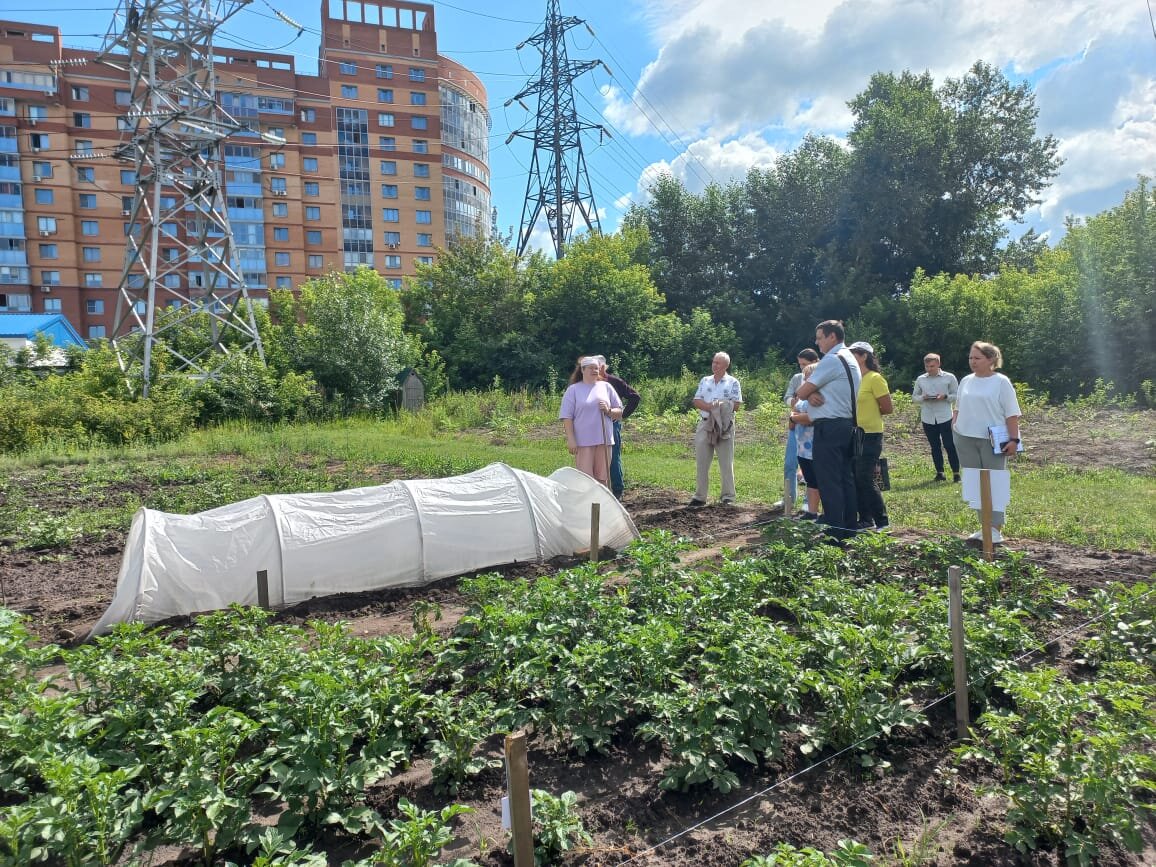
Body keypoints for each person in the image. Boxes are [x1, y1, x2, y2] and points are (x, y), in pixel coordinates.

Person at [794, 320, 860, 537]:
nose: (817, 342)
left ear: (833, 337)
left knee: (829, 480)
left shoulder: (831, 360)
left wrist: (809, 392)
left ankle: (835, 532)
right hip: (845, 425)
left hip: (829, 428)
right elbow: (809, 392)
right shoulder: (849, 358)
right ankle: (849, 527)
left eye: (820, 337)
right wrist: (812, 392)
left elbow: (801, 392)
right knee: (845, 478)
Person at [952, 341, 1022, 543]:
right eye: (971, 358)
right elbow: (958, 406)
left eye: (977, 358)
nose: (972, 362)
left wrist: (1014, 439)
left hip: (993, 440)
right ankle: (983, 526)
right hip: (965, 438)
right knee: (974, 482)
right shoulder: (966, 380)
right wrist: (955, 423)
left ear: (991, 359)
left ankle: (995, 528)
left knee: (995, 483)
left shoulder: (1001, 382)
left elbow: (1012, 414)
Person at [559, 356, 623, 487]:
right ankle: (586, 506)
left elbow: (620, 411)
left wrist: (608, 410)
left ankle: (600, 505)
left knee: (602, 479)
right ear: (582, 370)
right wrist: (571, 439)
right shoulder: (573, 390)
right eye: (591, 368)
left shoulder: (606, 387)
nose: (595, 370)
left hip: (604, 440)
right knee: (586, 480)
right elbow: (567, 417)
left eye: (597, 368)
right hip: (583, 442)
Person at [689, 351, 742, 506]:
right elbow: (696, 400)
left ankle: (728, 497)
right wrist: (711, 407)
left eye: (718, 363)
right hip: (705, 423)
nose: (714, 365)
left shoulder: (733, 382)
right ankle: (700, 496)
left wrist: (720, 406)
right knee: (702, 461)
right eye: (713, 362)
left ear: (726, 365)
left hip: (724, 426)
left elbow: (737, 405)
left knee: (726, 462)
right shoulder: (705, 380)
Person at [849, 342, 892, 529]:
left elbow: (887, 407)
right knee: (856, 477)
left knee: (865, 477)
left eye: (853, 354)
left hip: (871, 434)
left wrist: (869, 415)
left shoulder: (875, 379)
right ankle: (866, 520)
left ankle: (882, 521)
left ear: (864, 356)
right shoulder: (855, 378)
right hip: (855, 434)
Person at [595, 356, 641, 500]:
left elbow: (635, 397)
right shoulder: (588, 383)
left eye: (596, 367)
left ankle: (617, 490)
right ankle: (598, 488)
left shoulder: (614, 382)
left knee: (613, 456)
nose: (594, 370)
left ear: (603, 367)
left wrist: (622, 415)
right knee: (595, 456)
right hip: (592, 426)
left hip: (612, 423)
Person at [913, 352, 960, 482]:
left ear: (938, 364)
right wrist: (923, 397)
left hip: (945, 416)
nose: (929, 369)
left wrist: (945, 397)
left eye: (932, 366)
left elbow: (957, 395)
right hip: (928, 417)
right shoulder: (921, 379)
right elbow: (914, 397)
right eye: (927, 366)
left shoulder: (949, 377)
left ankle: (956, 473)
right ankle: (940, 473)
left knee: (949, 445)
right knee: (934, 446)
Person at [784, 349, 820, 509]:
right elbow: (788, 397)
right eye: (800, 365)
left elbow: (814, 411)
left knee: (810, 468)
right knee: (790, 463)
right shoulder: (797, 378)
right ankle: (788, 499)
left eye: (805, 364)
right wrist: (796, 405)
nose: (801, 368)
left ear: (815, 362)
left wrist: (799, 408)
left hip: (810, 431)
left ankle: (808, 503)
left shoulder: (820, 378)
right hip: (796, 426)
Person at [789, 362, 822, 519]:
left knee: (819, 479)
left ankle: (827, 514)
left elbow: (810, 418)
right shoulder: (803, 399)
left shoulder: (819, 398)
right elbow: (792, 420)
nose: (805, 381)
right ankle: (812, 512)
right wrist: (795, 417)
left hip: (816, 446)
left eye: (808, 377)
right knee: (810, 480)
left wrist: (795, 417)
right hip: (802, 447)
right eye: (804, 378)